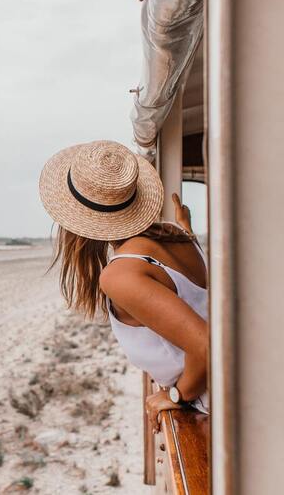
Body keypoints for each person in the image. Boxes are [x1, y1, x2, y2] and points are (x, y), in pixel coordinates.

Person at [39, 140, 208, 432]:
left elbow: (206, 346)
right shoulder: (177, 236)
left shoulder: (121, 275)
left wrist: (176, 395)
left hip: (212, 406)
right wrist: (186, 226)